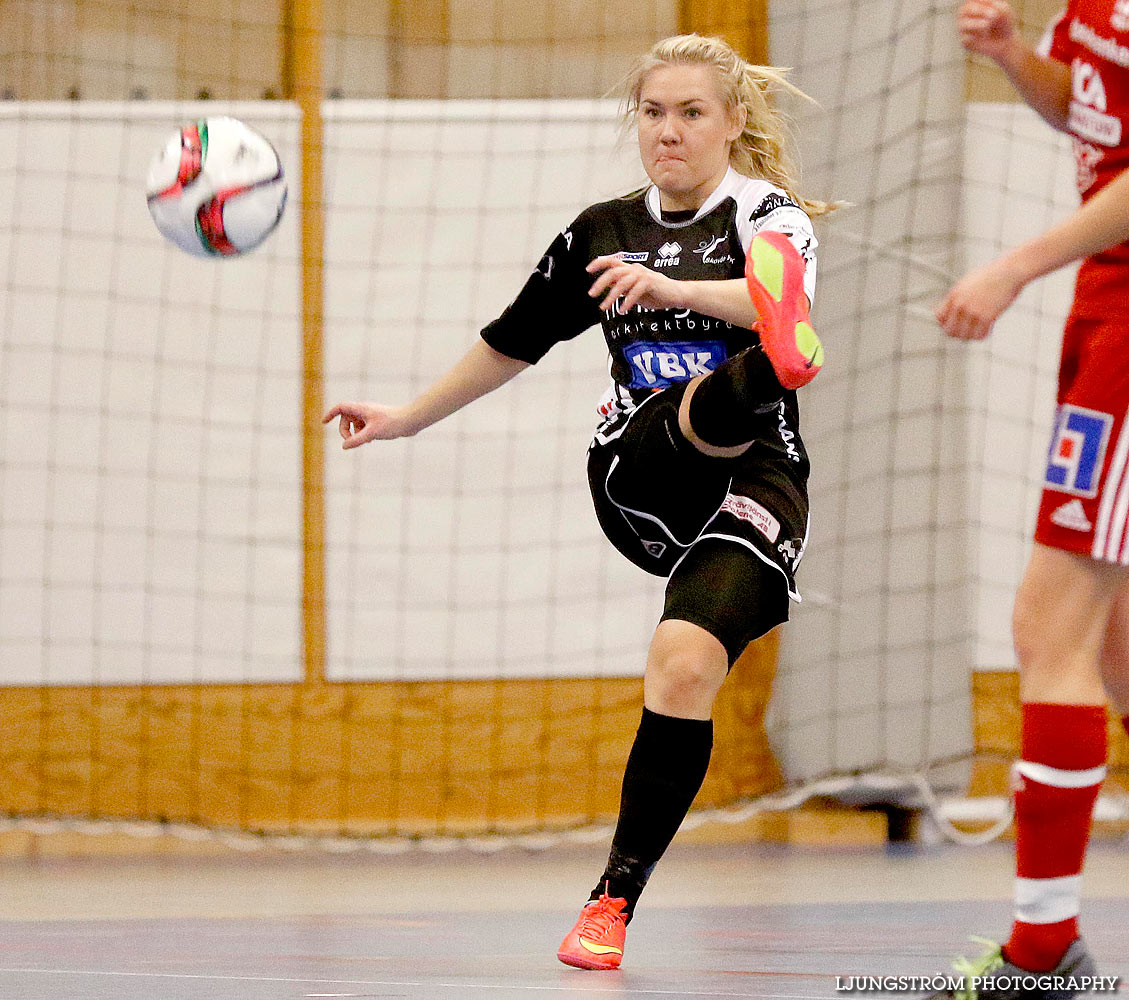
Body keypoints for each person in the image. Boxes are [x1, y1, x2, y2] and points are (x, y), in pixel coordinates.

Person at [324, 33, 832, 970]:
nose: (668, 133)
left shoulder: (769, 215)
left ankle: (609, 905)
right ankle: (761, 370)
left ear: (731, 124)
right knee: (705, 398)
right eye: (652, 113)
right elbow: (512, 341)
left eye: (690, 114)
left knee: (681, 668)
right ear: (634, 121)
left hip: (759, 482)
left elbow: (776, 296)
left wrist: (679, 289)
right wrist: (406, 419)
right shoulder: (600, 233)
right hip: (636, 474)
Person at [933, 1, 1129, 995]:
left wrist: (1012, 264)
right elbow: (1094, 114)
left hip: (1128, 318)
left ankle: (1043, 946)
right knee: (1113, 645)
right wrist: (1017, 57)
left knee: (1045, 626)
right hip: (1102, 310)